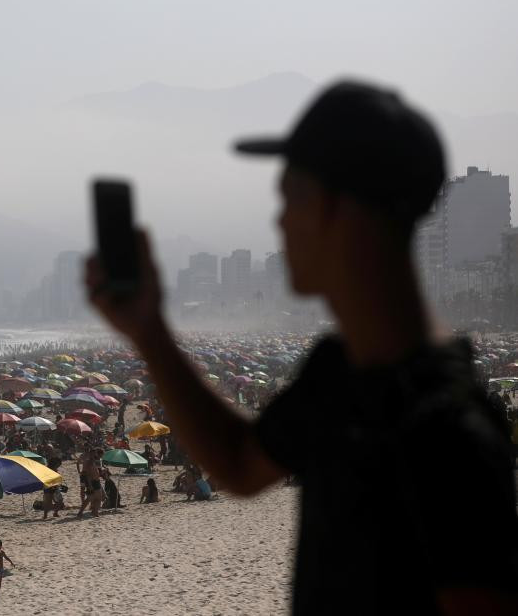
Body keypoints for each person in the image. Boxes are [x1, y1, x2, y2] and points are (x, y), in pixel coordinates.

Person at [86, 80, 518, 614]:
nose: (280, 221)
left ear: (339, 208)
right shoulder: (338, 371)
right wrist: (148, 332)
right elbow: (240, 465)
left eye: (290, 197)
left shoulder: (448, 429)